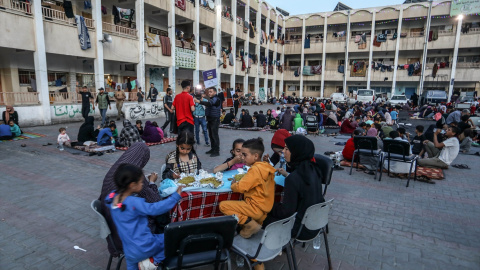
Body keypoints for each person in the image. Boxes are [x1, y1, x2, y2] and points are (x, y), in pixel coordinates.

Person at [104, 164, 182, 270]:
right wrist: (175, 196)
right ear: (132, 185)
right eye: (141, 182)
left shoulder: (111, 198)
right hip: (145, 246)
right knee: (171, 238)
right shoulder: (134, 202)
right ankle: (152, 262)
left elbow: (110, 201)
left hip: (129, 250)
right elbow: (156, 208)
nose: (142, 184)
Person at [99, 143, 167, 258]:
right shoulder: (134, 178)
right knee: (165, 218)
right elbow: (155, 201)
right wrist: (151, 182)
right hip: (133, 240)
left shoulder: (116, 174)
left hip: (116, 234)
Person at [262, 135, 325, 240]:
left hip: (300, 229)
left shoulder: (294, 179)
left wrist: (267, 204)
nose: (283, 152)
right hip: (316, 223)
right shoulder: (314, 169)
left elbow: (285, 212)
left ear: (297, 152)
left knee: (261, 216)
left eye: (287, 149)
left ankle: (271, 246)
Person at [219, 138, 276, 239]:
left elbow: (241, 187)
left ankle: (250, 224)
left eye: (245, 155)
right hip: (264, 210)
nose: (242, 157)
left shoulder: (255, 169)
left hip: (254, 208)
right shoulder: (265, 167)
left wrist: (234, 185)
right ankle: (250, 224)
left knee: (223, 206)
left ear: (255, 156)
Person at [196, 87, 222, 157]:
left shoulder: (216, 99)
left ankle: (216, 151)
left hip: (214, 120)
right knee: (211, 135)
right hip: (210, 119)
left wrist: (199, 102)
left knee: (214, 135)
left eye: (211, 92)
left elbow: (209, 104)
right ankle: (213, 149)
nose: (209, 93)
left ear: (215, 92)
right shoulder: (212, 99)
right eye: (209, 92)